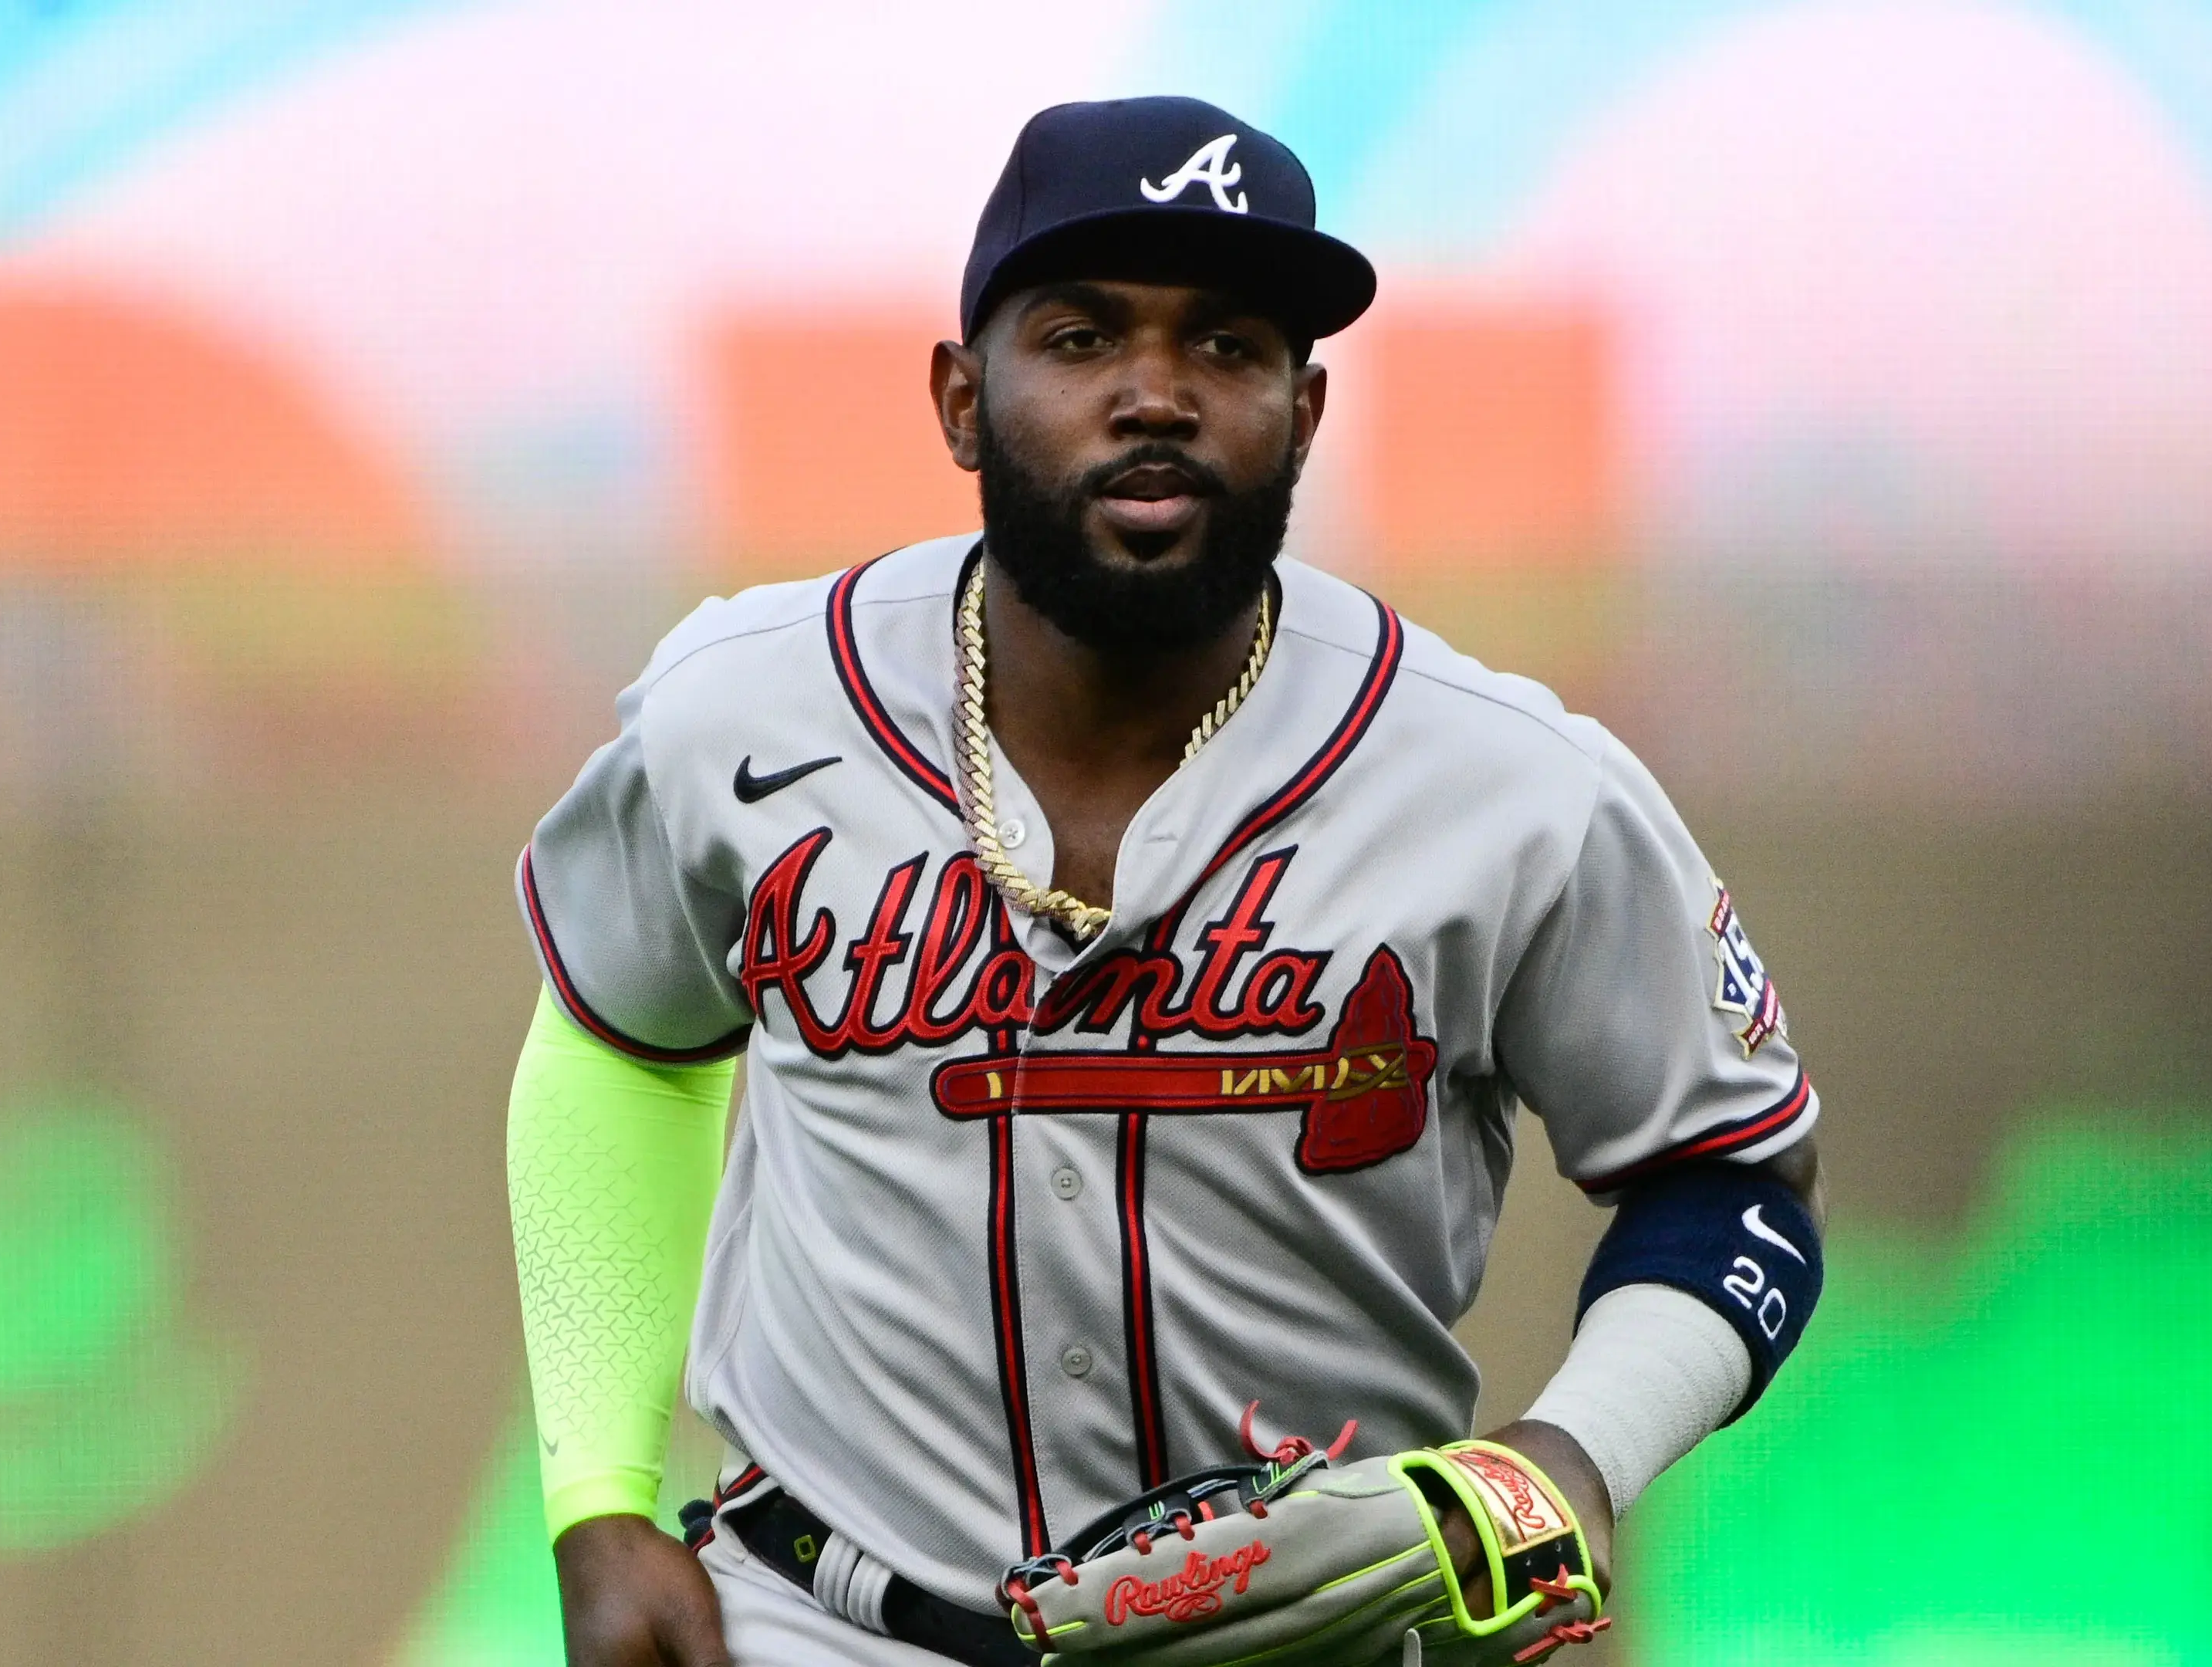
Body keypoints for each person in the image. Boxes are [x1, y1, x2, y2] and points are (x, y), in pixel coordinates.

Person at [508, 96, 1824, 1667]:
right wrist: (597, 1497)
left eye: (1228, 347)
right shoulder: (746, 710)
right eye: (1079, 338)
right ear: (957, 397)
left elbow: (1733, 1182)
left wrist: (1556, 1470)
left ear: (1306, 408)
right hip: (821, 1619)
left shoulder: (1511, 784)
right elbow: (617, 1045)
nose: (1156, 395)